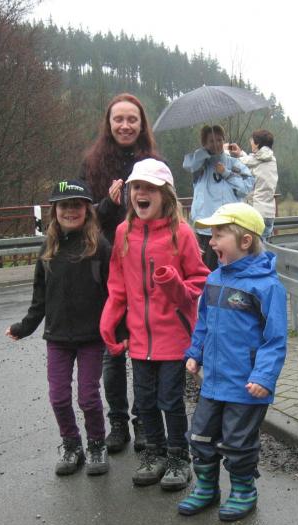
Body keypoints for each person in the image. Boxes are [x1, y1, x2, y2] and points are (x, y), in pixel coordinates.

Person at [100, 158, 209, 491]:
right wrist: (109, 322)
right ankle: (154, 454)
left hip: (174, 336)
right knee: (145, 401)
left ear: (166, 195)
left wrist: (175, 284)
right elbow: (117, 284)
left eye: (150, 188)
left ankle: (179, 457)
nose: (141, 193)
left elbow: (200, 281)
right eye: (137, 187)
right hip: (139, 337)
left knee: (170, 400)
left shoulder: (181, 233)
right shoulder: (123, 233)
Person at [180, 202, 287, 521]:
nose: (211, 242)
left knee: (238, 443)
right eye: (211, 235)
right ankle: (206, 487)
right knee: (200, 436)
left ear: (245, 240)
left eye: (218, 235)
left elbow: (275, 339)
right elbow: (203, 323)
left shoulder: (267, 286)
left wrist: (264, 377)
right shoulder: (214, 280)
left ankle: (243, 490)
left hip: (246, 386)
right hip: (213, 382)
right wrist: (195, 353)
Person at [6, 180, 111, 476]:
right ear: (55, 211)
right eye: (64, 206)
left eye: (76, 205)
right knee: (59, 397)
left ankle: (96, 444)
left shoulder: (99, 247)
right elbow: (39, 298)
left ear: (87, 209)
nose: (70, 211)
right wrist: (24, 327)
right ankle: (71, 444)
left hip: (92, 337)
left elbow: (113, 294)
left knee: (88, 397)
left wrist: (118, 329)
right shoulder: (48, 249)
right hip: (58, 338)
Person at [79, 93, 161, 454]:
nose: (125, 126)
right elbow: (80, 218)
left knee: (145, 350)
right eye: (119, 119)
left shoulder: (155, 163)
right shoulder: (92, 163)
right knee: (112, 352)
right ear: (108, 124)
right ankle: (117, 423)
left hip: (144, 267)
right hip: (104, 269)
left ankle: (144, 420)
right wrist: (107, 204)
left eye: (132, 119)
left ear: (142, 125)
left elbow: (165, 212)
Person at [183, 125, 254, 270]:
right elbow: (189, 164)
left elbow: (246, 188)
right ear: (204, 144)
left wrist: (226, 173)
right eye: (211, 141)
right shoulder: (199, 165)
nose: (216, 144)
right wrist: (204, 153)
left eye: (219, 140)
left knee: (230, 269)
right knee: (205, 271)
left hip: (229, 228)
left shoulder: (234, 163)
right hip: (204, 230)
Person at [229, 129, 279, 239]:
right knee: (264, 245)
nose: (251, 143)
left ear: (257, 144)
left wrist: (224, 153)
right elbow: (253, 161)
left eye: (252, 141)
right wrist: (241, 153)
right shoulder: (271, 159)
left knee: (255, 247)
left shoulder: (256, 160)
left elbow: (238, 164)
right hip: (269, 213)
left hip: (257, 212)